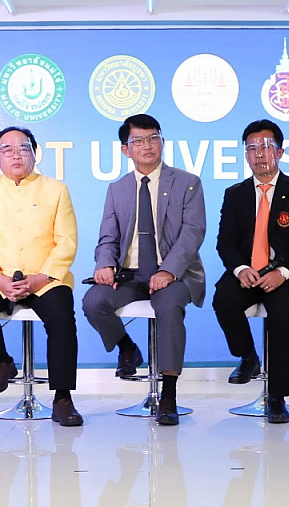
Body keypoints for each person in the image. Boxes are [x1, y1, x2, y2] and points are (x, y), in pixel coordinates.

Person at [81, 113, 207, 426]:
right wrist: (104, 264)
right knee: (93, 301)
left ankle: (169, 394)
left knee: (168, 305)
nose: (147, 145)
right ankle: (127, 348)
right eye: (138, 140)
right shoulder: (117, 189)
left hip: (175, 273)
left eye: (153, 138)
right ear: (126, 149)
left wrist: (169, 271)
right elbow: (107, 237)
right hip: (131, 274)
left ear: (162, 141)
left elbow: (192, 233)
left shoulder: (188, 183)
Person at [0, 126, 82, 426]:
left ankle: (63, 399)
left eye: (23, 148)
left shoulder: (56, 190)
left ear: (35, 153)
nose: (16, 155)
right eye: (8, 149)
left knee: (62, 318)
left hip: (46, 278)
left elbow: (66, 241)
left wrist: (41, 277)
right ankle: (1, 362)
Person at [211, 119, 289, 424]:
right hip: (248, 273)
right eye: (252, 148)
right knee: (223, 299)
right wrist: (240, 268)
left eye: (266, 147)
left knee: (282, 318)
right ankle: (248, 356)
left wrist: (283, 272)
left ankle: (277, 397)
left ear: (280, 152)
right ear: (245, 154)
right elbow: (225, 242)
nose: (259, 154)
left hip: (285, 276)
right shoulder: (235, 194)